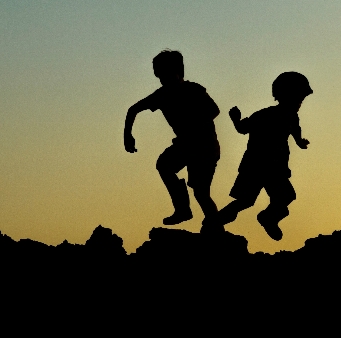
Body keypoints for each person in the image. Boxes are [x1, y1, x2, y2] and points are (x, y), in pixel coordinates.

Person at [124, 50, 220, 225]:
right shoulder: (161, 95)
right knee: (164, 165)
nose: (164, 78)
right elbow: (133, 109)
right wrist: (127, 135)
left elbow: (214, 110)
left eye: (167, 73)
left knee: (201, 192)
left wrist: (194, 124)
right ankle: (183, 209)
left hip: (205, 146)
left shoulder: (193, 89)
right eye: (160, 75)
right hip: (186, 145)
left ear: (178, 71)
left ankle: (215, 228)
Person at [216, 72, 312, 240]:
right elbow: (243, 128)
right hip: (255, 167)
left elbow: (295, 129)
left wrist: (299, 141)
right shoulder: (264, 115)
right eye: (298, 98)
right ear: (284, 95)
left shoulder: (292, 117)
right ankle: (214, 222)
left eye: (301, 100)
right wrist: (236, 120)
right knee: (245, 200)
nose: (299, 103)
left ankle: (268, 217)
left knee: (286, 196)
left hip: (276, 168)